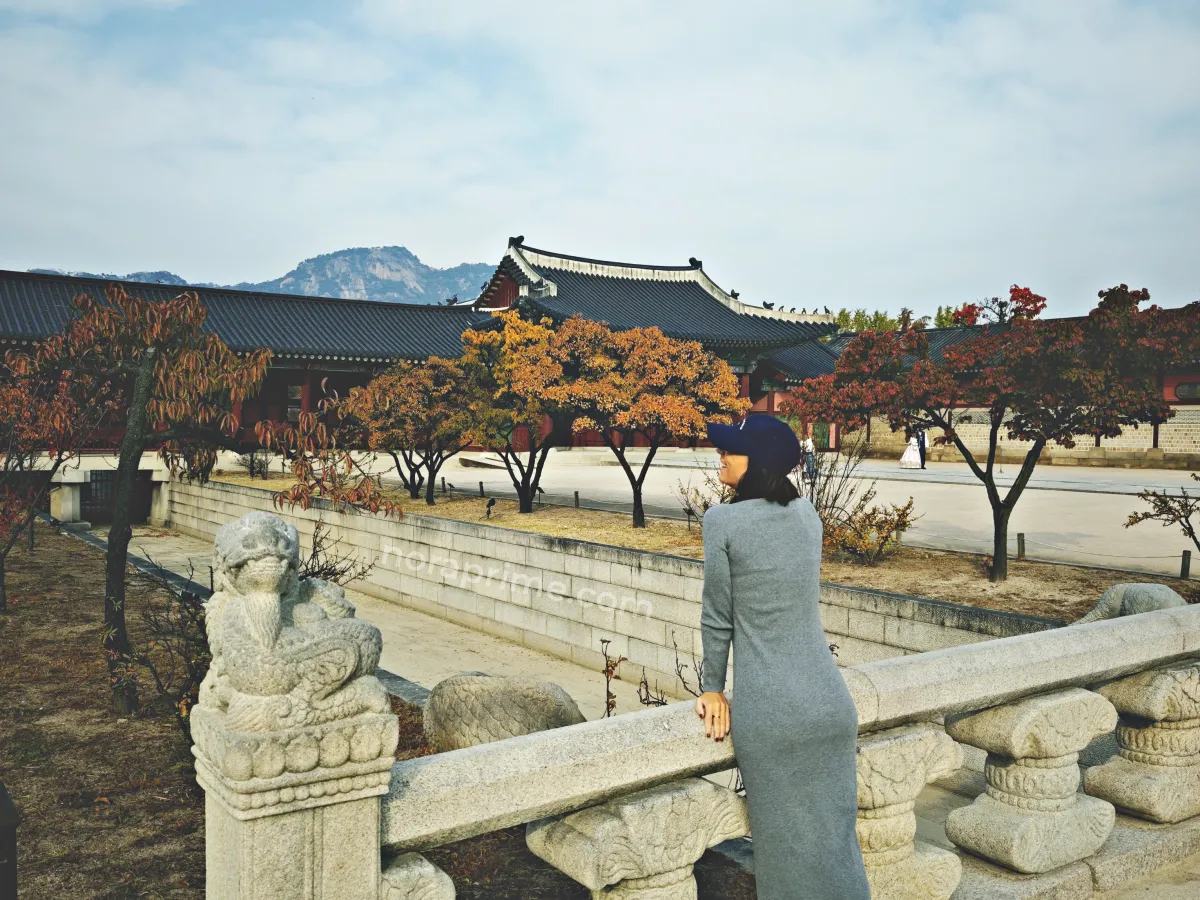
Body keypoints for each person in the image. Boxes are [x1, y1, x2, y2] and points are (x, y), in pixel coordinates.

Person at [696, 414, 870, 900]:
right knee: (836, 847)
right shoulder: (807, 514)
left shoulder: (722, 520)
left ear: (758, 464)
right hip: (831, 706)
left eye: (731, 449)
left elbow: (718, 616)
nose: (721, 456)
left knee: (784, 857)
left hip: (772, 714)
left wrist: (711, 687)